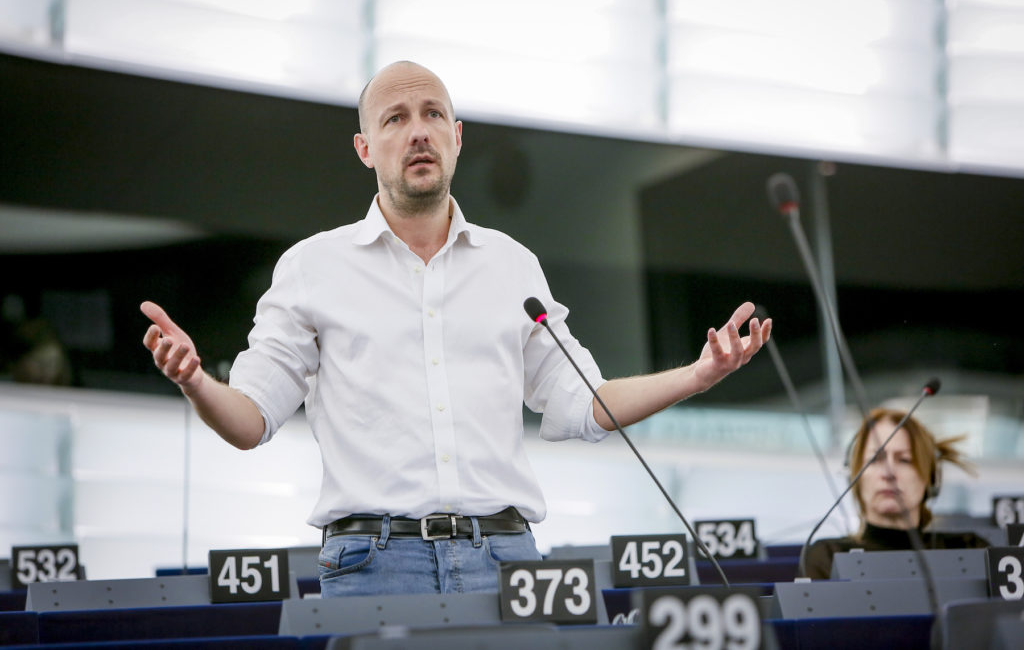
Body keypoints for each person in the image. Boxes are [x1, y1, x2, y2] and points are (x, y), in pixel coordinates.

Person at [140, 60, 772, 597]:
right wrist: (196, 381)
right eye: (395, 119)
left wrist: (698, 374)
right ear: (365, 149)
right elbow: (251, 421)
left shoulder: (512, 265)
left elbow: (586, 401)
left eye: (433, 114)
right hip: (373, 566)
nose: (419, 131)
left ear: (458, 136)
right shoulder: (312, 267)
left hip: (509, 562)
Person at [803, 407, 989, 579]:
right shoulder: (828, 557)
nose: (889, 473)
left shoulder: (971, 549)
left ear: (930, 478)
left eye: (905, 460)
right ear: (855, 476)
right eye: (875, 459)